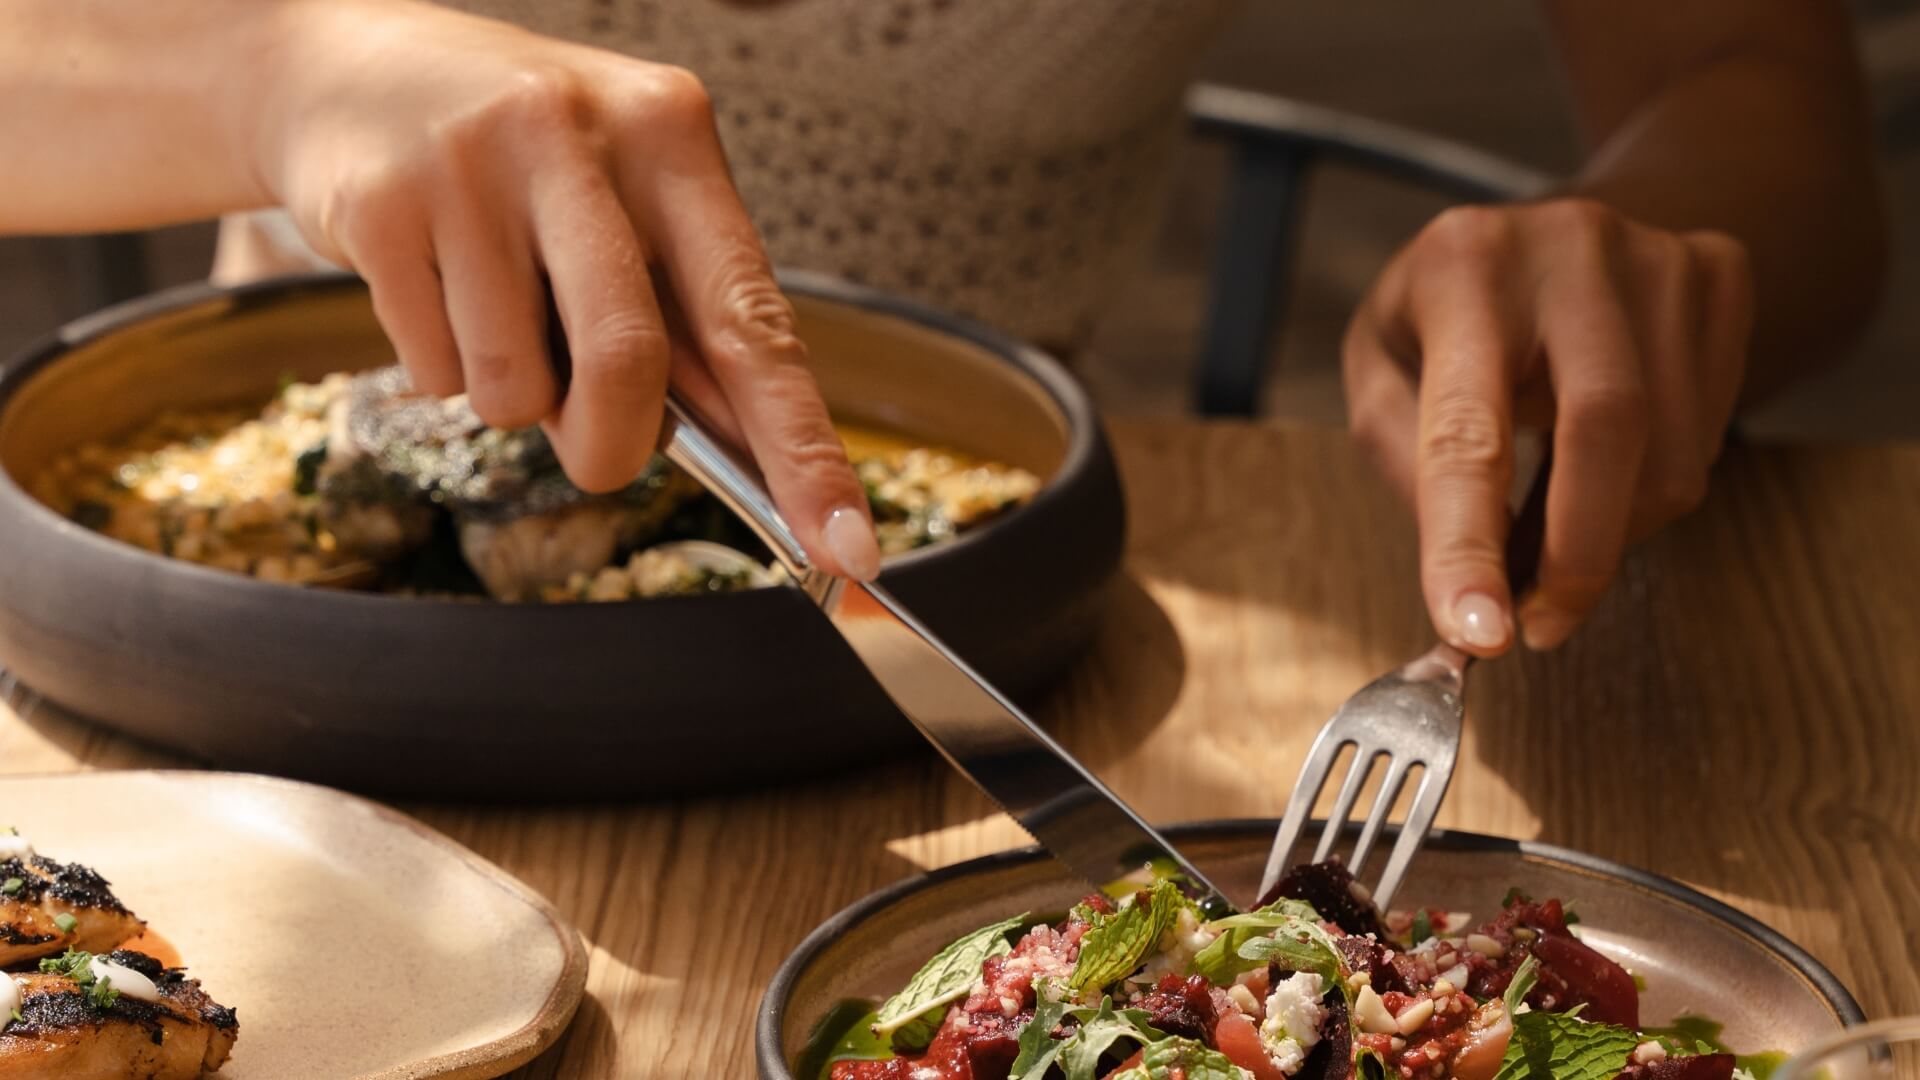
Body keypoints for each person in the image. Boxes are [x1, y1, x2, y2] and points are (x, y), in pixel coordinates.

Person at [4, 0, 1884, 656]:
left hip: (1015, 557)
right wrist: (260, 66)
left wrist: (1643, 246)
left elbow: (1745, 76)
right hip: (251, 602)